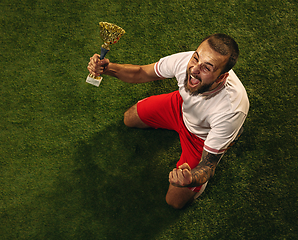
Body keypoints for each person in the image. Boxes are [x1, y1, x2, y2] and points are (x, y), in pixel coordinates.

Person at [87, 33, 249, 209]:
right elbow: (141, 73)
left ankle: (231, 136)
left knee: (174, 200)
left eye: (207, 68)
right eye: (196, 57)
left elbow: (208, 166)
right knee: (129, 119)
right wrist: (107, 68)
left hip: (201, 138)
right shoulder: (186, 61)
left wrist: (191, 178)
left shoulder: (230, 110)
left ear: (221, 78)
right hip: (180, 107)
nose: (194, 68)